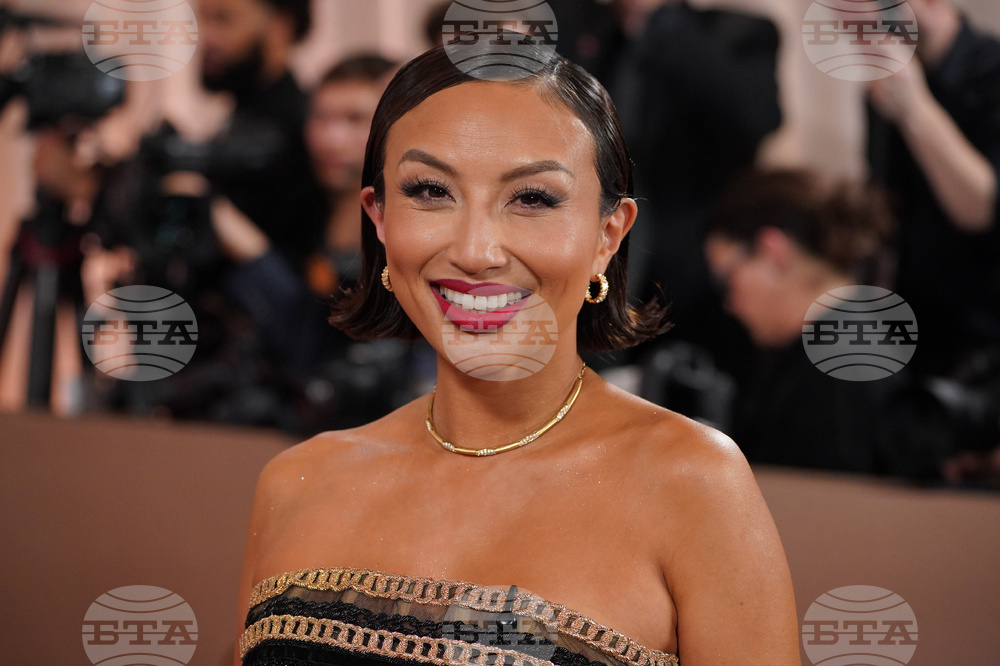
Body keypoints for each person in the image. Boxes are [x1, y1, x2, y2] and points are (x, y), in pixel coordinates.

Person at [236, 45, 800, 665]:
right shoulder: (295, 483)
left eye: (532, 198)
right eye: (430, 191)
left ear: (607, 236)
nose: (477, 250)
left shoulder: (694, 486)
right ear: (379, 218)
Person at [703, 169, 939, 475]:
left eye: (726, 279)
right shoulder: (845, 340)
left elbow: (828, 509)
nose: (729, 304)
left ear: (772, 251)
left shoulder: (840, 363)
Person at [867, 0, 1000, 378]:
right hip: (916, 332)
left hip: (982, 336)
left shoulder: (991, 71)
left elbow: (980, 208)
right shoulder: (885, 85)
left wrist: (915, 109)